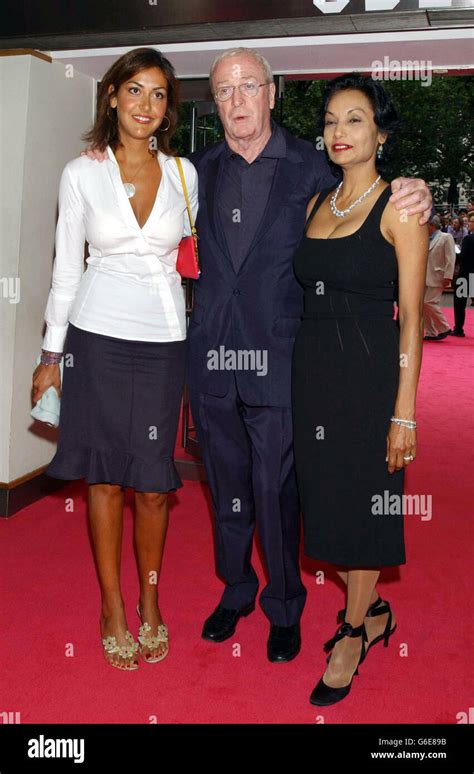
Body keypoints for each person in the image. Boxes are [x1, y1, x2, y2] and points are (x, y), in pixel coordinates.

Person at [185, 48, 432, 663]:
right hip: (213, 360)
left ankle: (285, 606)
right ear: (213, 103)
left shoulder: (311, 168)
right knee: (227, 487)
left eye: (248, 87)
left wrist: (415, 187)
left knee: (278, 492)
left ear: (271, 93)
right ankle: (236, 589)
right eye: (223, 91)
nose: (237, 101)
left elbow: (370, 195)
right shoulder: (192, 172)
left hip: (287, 366)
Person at [32, 48, 198, 671]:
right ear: (110, 96)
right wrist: (52, 352)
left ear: (168, 108)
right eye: (134, 90)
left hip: (161, 338)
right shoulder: (82, 173)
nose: (145, 105)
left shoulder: (185, 174)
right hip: (95, 336)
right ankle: (112, 607)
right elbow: (66, 269)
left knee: (153, 484)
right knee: (103, 477)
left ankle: (151, 601)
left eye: (158, 95)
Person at [292, 73, 428, 705]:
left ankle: (352, 631)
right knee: (326, 508)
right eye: (329, 121)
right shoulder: (317, 203)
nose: (339, 132)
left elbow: (411, 322)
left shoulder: (401, 210)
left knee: (365, 506)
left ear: (379, 131)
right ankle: (374, 610)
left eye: (354, 119)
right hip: (313, 376)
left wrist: (404, 413)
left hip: (370, 381)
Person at [423, 215, 456, 341]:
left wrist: (448, 276)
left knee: (429, 302)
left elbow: (450, 258)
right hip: (425, 276)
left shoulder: (446, 237)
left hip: (438, 276)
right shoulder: (426, 239)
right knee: (423, 305)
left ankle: (444, 328)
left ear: (431, 225)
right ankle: (430, 332)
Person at [452, 212, 474, 336]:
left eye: (470, 221)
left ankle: (459, 329)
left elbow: (461, 257)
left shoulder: (468, 239)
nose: (468, 224)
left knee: (460, 303)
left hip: (466, 275)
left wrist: (454, 252)